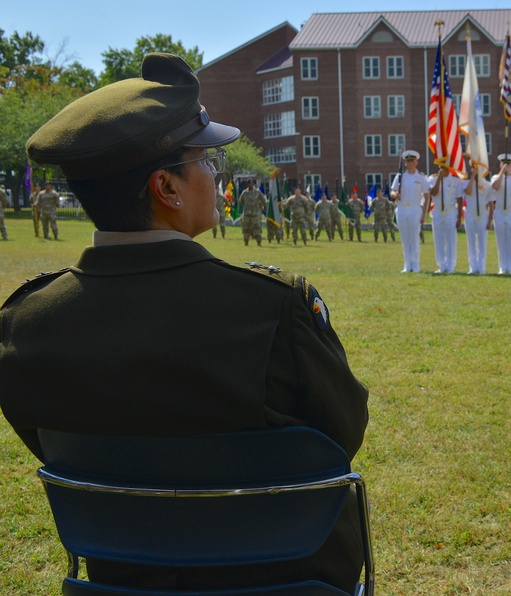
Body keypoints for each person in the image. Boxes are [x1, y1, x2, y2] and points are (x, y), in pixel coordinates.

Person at [0, 52, 369, 594]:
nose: (216, 176)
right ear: (166, 189)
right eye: (207, 161)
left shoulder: (22, 325)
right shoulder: (274, 309)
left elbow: (58, 452)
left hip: (124, 580)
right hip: (284, 578)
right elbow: (344, 433)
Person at [391, 150, 430, 272]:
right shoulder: (400, 176)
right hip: (402, 208)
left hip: (414, 208)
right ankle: (407, 265)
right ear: (406, 163)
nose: (410, 163)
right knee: (405, 238)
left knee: (414, 238)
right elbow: (392, 191)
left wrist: (424, 214)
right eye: (408, 161)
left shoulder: (421, 177)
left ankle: (415, 264)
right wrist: (395, 195)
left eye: (412, 161)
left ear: (416, 162)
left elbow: (427, 196)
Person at [428, 166, 463, 273]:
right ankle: (442, 265)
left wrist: (459, 217)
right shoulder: (432, 179)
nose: (442, 168)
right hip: (438, 211)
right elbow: (433, 193)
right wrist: (439, 177)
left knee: (450, 240)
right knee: (438, 240)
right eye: (440, 166)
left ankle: (451, 265)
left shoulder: (455, 181)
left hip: (450, 212)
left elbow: (459, 200)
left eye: (444, 166)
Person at [463, 167, 493, 275]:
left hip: (482, 215)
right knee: (471, 242)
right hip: (470, 214)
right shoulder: (466, 182)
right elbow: (468, 191)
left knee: (482, 243)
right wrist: (472, 178)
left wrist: (490, 220)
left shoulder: (487, 185)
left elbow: (490, 204)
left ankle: (481, 268)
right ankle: (473, 267)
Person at [239, 180, 266, 246]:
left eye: (251, 183)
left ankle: (259, 242)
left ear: (253, 184)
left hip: (255, 214)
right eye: (248, 184)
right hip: (246, 214)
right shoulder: (244, 193)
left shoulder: (257, 192)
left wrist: (259, 207)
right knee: (246, 229)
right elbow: (241, 201)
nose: (250, 185)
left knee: (257, 228)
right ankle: (246, 242)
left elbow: (263, 200)